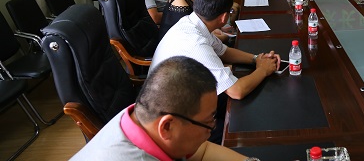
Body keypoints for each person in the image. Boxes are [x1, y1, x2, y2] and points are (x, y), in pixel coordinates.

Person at [150, 0, 280, 142]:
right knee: (245, 121)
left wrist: (256, 59)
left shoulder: (192, 22)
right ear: (224, 17)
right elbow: (237, 91)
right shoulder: (196, 44)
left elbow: (224, 51)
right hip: (172, 122)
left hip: (181, 96)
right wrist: (263, 70)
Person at [70, 56, 253, 161]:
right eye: (207, 124)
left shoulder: (138, 117)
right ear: (166, 126)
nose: (211, 129)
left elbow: (202, 150)